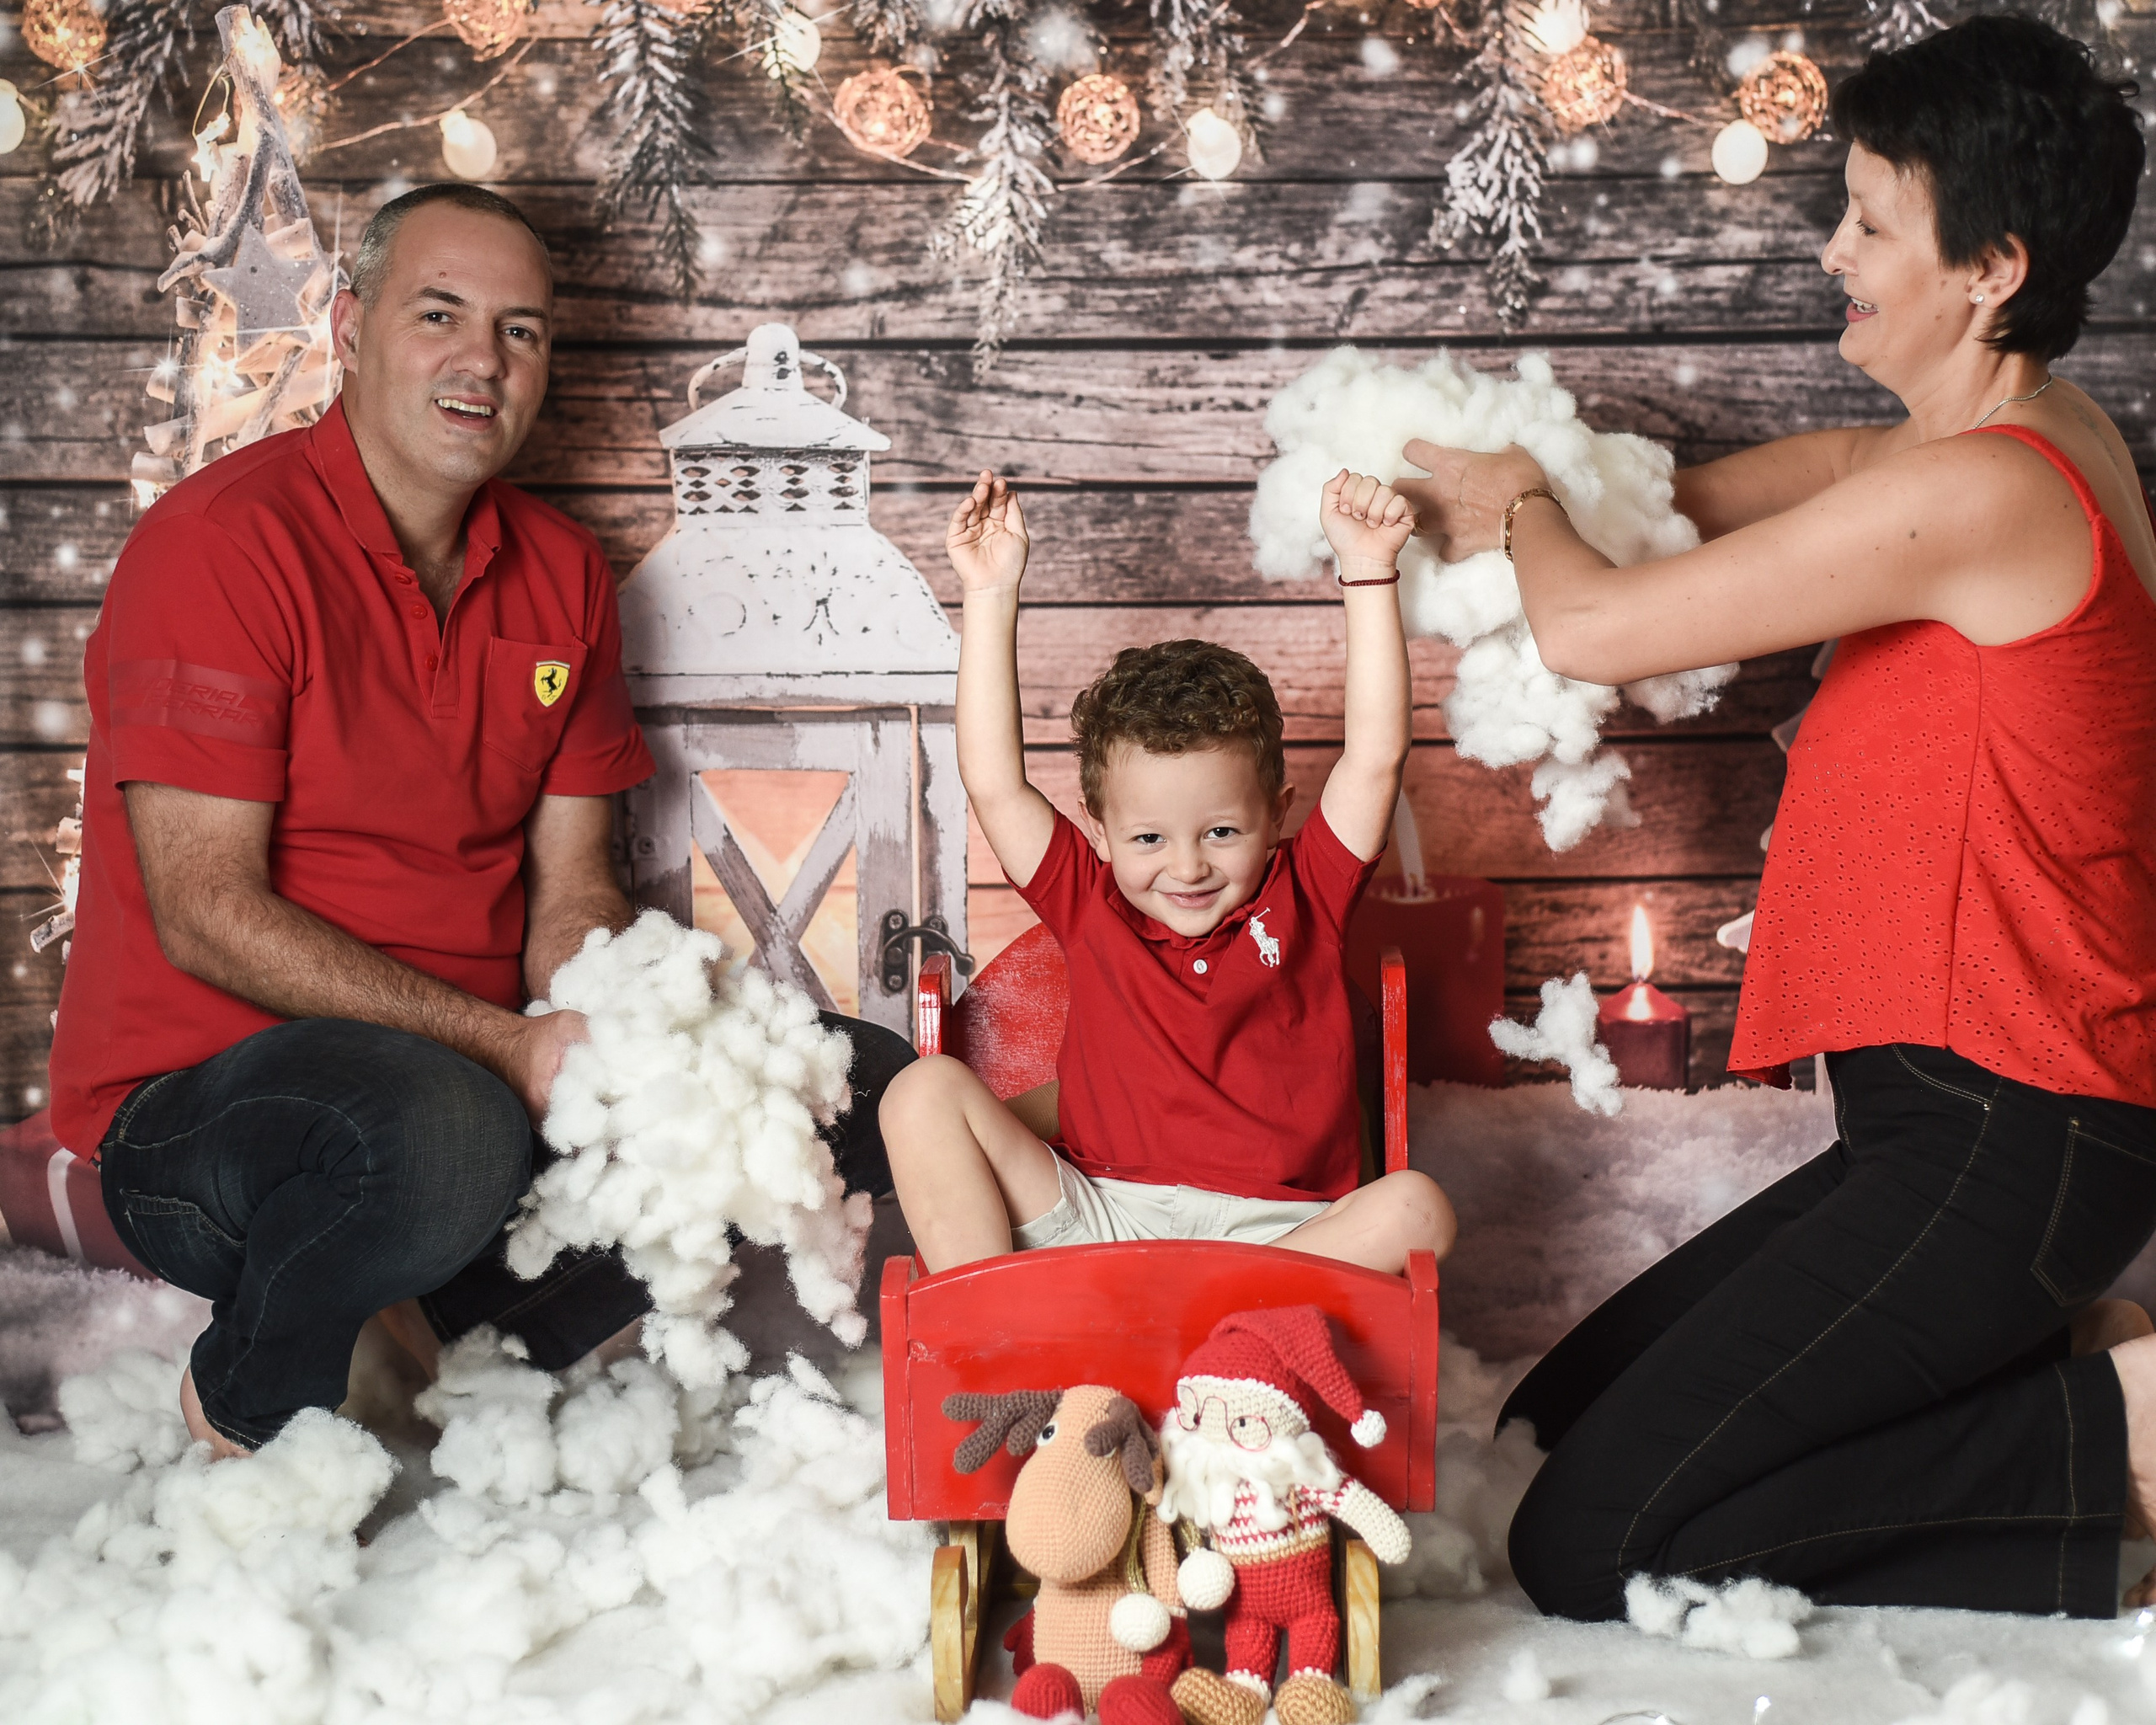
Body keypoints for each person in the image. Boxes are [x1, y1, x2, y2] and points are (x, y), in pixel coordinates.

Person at [1396, 15, 2156, 1618]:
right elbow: (1829, 468)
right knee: (1557, 1422)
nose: (1833, 253)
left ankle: (2108, 1441)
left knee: (1584, 1542)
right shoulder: (2003, 435)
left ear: (1991, 269)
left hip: (2015, 1138)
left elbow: (1595, 630)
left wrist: (1522, 504)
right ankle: (2054, 1371)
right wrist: (1603, 493)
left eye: (1871, 223)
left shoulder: (1992, 491)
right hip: (1947, 1132)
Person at [48, 184, 914, 1459]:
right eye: (439, 314)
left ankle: (444, 1339)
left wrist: (636, 1042)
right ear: (349, 328)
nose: (483, 361)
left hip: (473, 1088)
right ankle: (247, 1400)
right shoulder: (220, 547)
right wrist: (506, 1049)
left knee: (850, 1084)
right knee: (444, 1128)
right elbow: (206, 912)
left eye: (521, 331)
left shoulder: (561, 572)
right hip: (205, 1109)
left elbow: (572, 893)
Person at [877, 466, 1456, 1275]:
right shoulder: (1088, 901)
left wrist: (1366, 569)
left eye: (1221, 831)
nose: (1187, 866)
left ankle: (1204, 1327)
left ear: (1276, 816)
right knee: (921, 1091)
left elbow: (1374, 758)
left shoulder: (1309, 894)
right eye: (1149, 839)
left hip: (1279, 1245)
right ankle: (991, 1324)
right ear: (1101, 831)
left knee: (1418, 1208)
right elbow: (995, 782)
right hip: (1105, 1226)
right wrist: (990, 591)